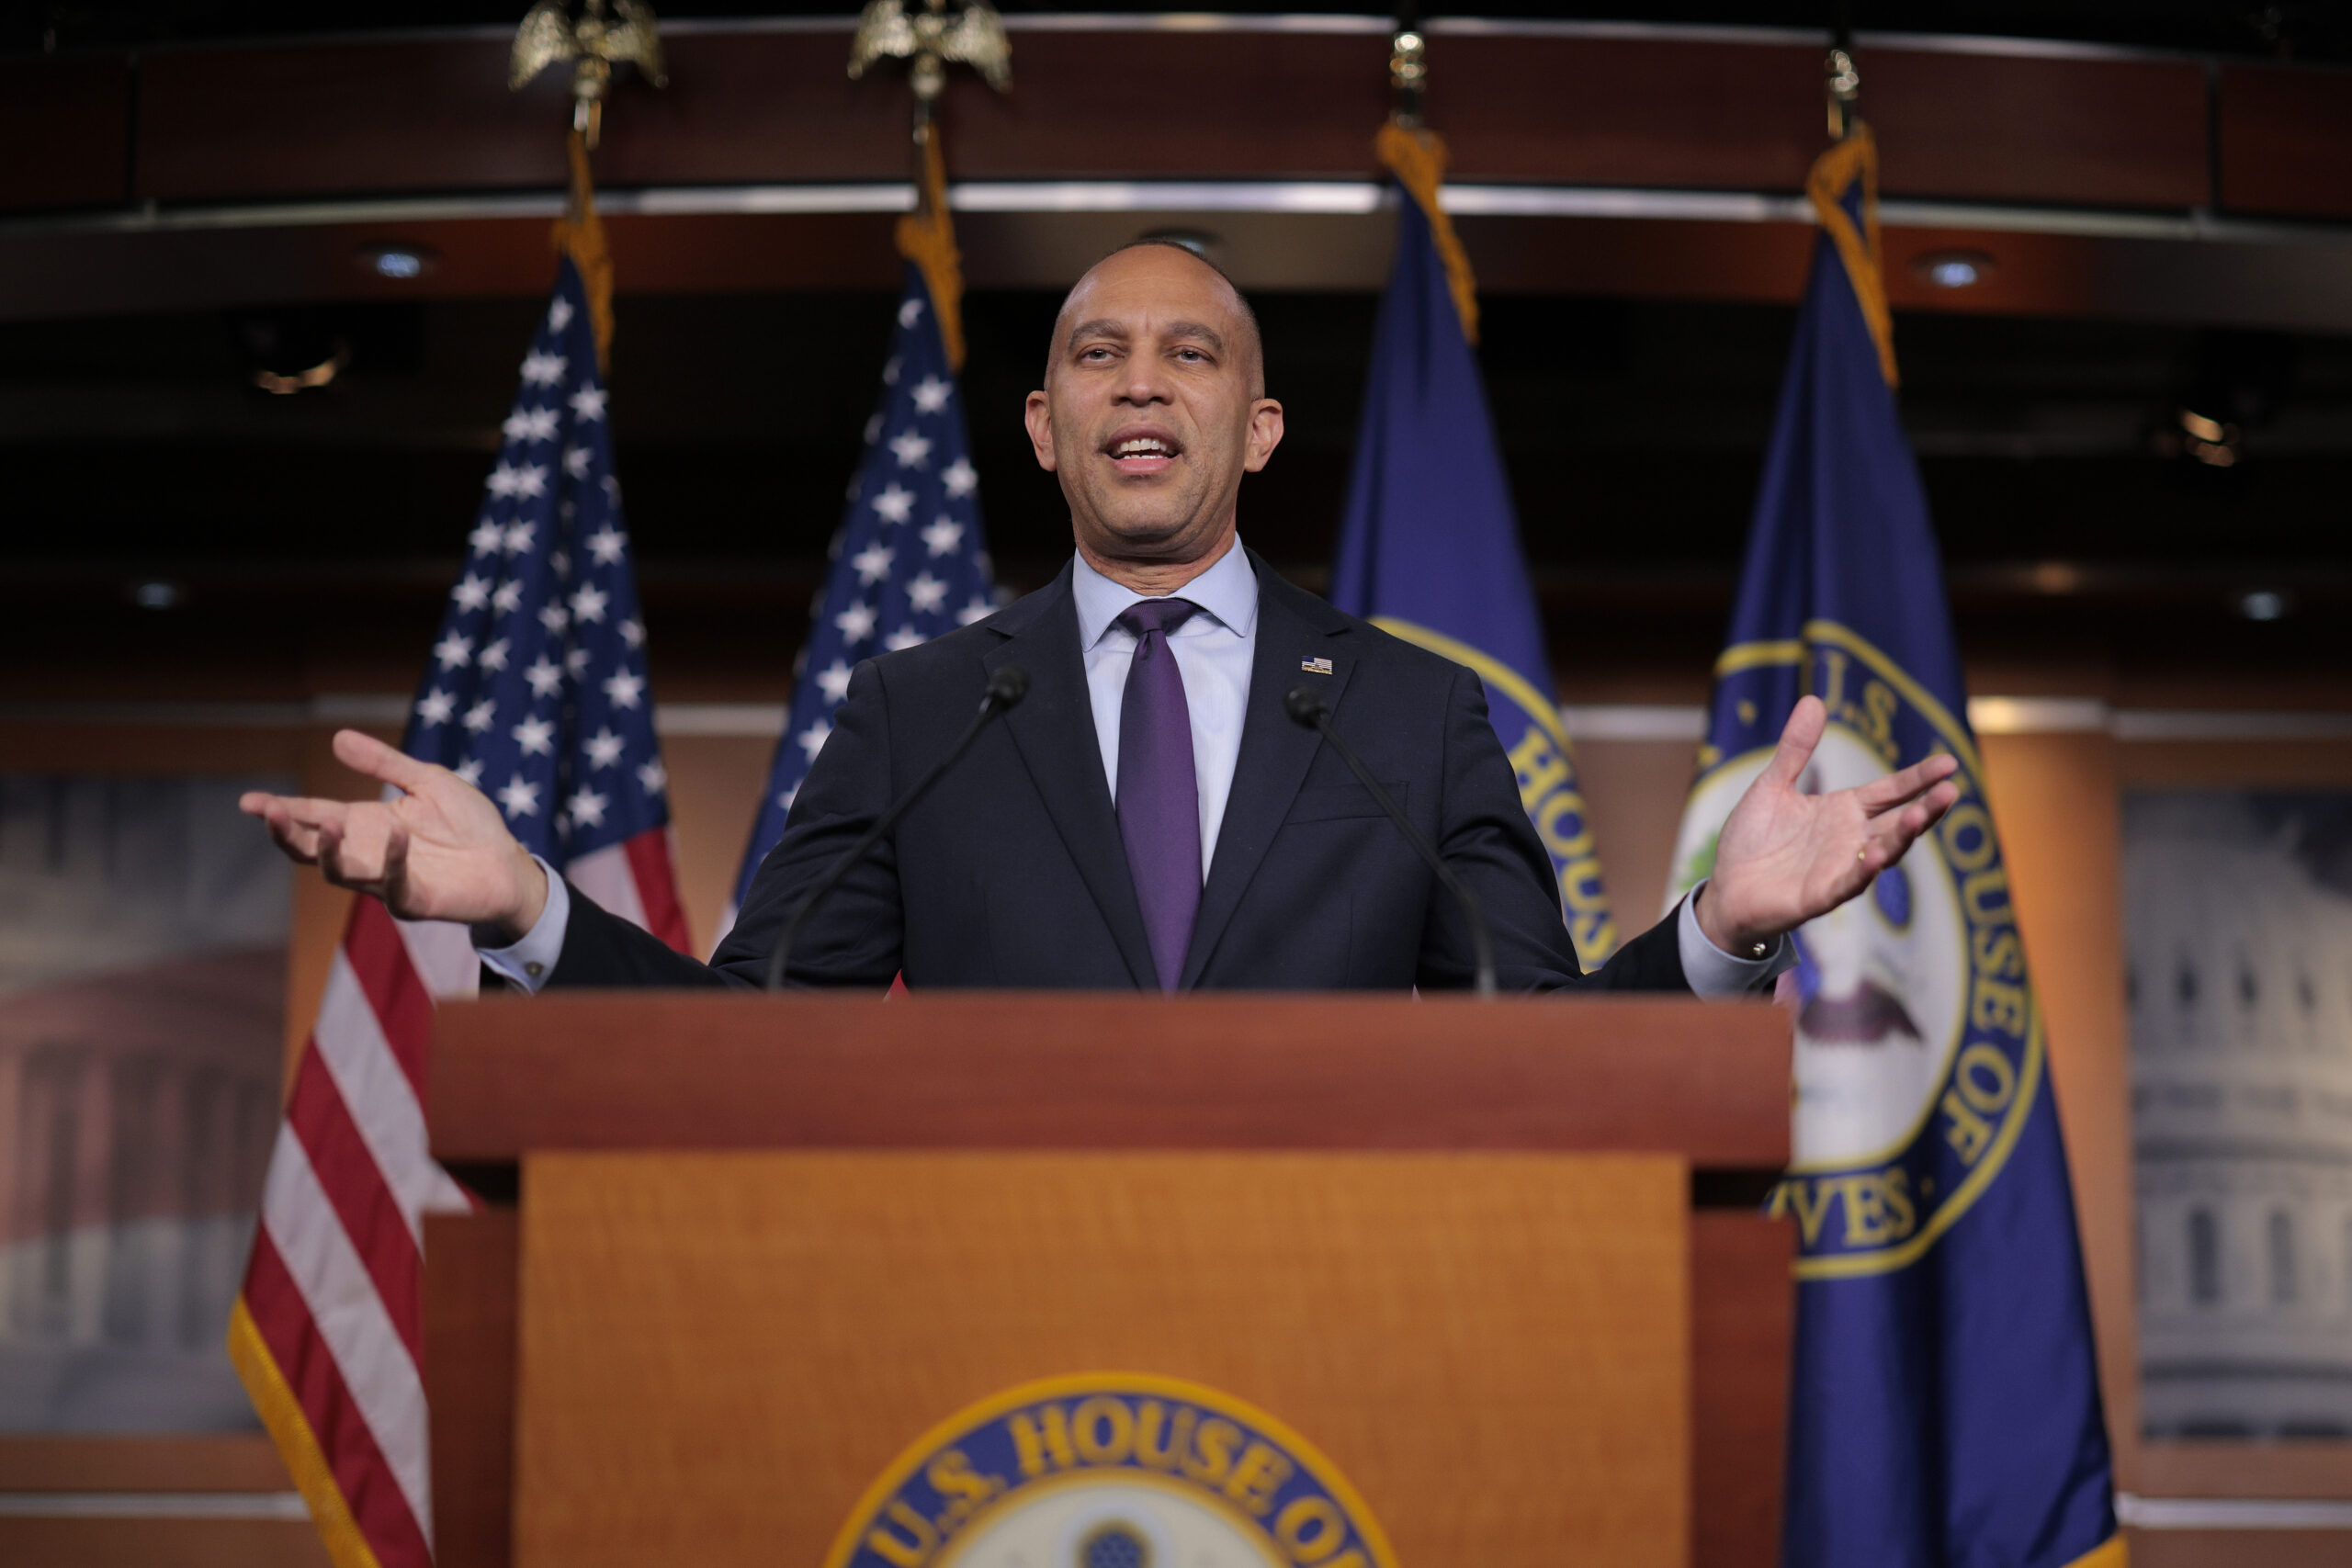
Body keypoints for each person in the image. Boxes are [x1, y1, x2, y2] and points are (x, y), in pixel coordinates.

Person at [242, 241, 1958, 994]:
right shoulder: (919, 711)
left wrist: (1724, 932)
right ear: (1047, 430)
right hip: (998, 1339)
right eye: (1095, 355)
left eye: (1194, 352)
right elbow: (748, 1029)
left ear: (1258, 431)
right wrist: (530, 905)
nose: (1145, 381)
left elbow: (1552, 1048)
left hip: (1334, 1322)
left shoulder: (1412, 716)